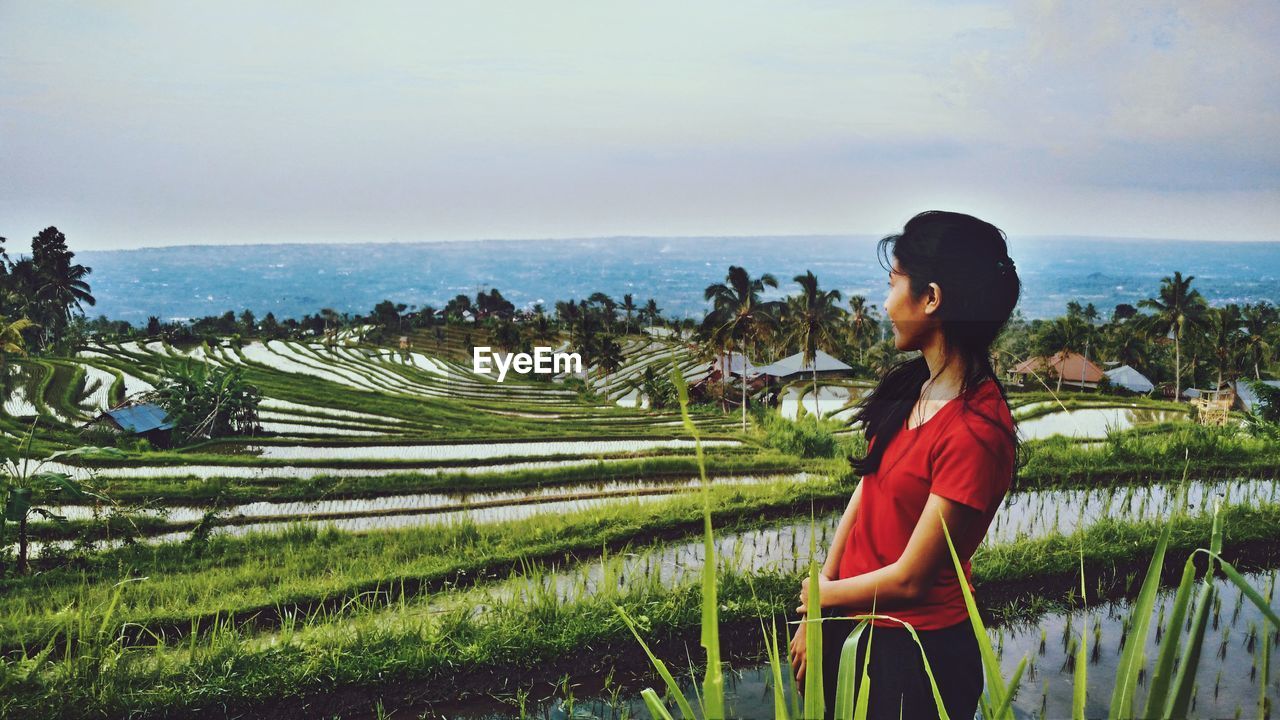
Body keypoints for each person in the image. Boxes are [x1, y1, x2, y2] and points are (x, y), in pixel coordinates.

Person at [788, 210, 1022, 718]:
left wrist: (823, 598)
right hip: (855, 623)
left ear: (932, 298)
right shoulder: (912, 387)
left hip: (914, 655)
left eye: (893, 283)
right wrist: (819, 611)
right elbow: (865, 495)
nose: (885, 302)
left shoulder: (976, 431)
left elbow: (912, 580)